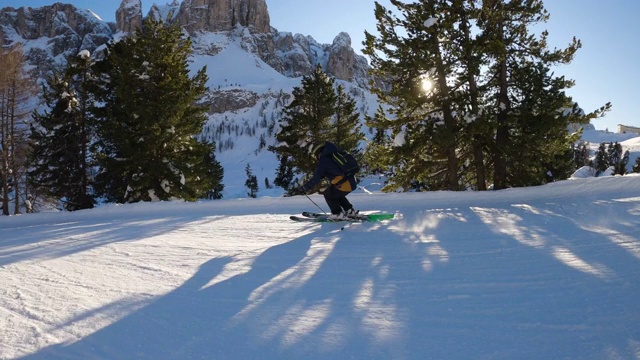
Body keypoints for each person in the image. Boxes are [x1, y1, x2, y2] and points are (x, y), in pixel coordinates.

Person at [300, 141, 358, 219]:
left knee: (329, 195)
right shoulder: (333, 156)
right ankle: (349, 211)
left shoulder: (324, 160)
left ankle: (337, 214)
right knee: (336, 194)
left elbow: (317, 177)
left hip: (344, 183)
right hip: (351, 181)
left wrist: (305, 187)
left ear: (318, 153)